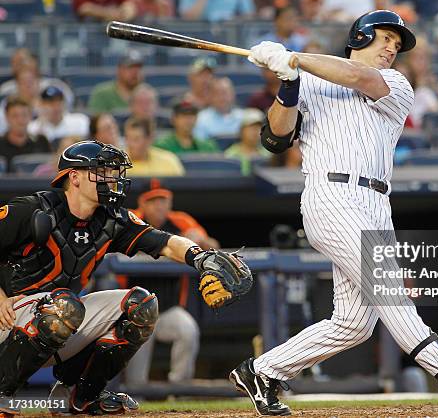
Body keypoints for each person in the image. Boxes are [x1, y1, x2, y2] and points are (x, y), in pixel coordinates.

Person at [231, 9, 438, 416]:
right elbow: (275, 139)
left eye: (396, 47)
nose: (390, 50)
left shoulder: (396, 84)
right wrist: (288, 84)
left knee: (354, 325)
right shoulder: (306, 78)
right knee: (388, 290)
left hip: (377, 203)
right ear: (360, 37)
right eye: (384, 40)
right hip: (332, 195)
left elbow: (357, 78)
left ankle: (262, 370)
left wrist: (294, 58)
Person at [0, 140, 251, 415]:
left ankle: (79, 396)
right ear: (74, 177)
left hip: (57, 317)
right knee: (65, 306)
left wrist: (200, 257)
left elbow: (165, 242)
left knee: (140, 305)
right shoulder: (32, 208)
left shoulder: (111, 219)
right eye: (102, 172)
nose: (112, 179)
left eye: (113, 172)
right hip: (9, 316)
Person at [124, 179, 219, 385]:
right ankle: (136, 393)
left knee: (188, 330)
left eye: (163, 200)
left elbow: (213, 245)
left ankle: (179, 387)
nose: (159, 205)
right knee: (135, 380)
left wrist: (200, 240)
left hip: (168, 309)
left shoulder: (180, 221)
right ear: (143, 203)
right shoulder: (131, 220)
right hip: (134, 311)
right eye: (153, 200)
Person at [0, 97, 51, 172]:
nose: (20, 120)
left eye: (24, 115)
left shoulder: (41, 142)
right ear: (7, 118)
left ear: (30, 116)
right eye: (15, 116)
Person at [88, 51, 145, 115]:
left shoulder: (147, 94)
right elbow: (95, 120)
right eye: (130, 67)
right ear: (119, 70)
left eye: (139, 68)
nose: (135, 72)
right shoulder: (102, 93)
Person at [154, 100, 219, 154]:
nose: (188, 120)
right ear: (173, 119)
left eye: (192, 116)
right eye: (184, 116)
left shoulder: (207, 147)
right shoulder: (162, 147)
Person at [224, 108, 271, 175]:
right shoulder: (230, 155)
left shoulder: (269, 155)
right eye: (251, 127)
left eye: (259, 127)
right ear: (241, 130)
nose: (255, 131)